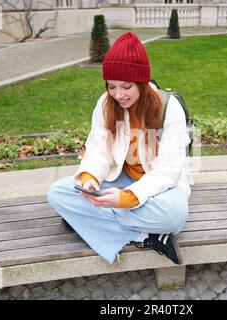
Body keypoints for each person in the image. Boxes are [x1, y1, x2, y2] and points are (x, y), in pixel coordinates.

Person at [47, 32, 192, 265]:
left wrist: (128, 198)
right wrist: (90, 177)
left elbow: (168, 170)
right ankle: (146, 236)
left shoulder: (169, 108)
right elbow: (98, 148)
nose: (118, 95)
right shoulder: (106, 104)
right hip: (119, 178)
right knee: (57, 193)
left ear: (142, 82)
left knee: (174, 214)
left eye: (126, 87)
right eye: (111, 86)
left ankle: (85, 220)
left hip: (160, 187)